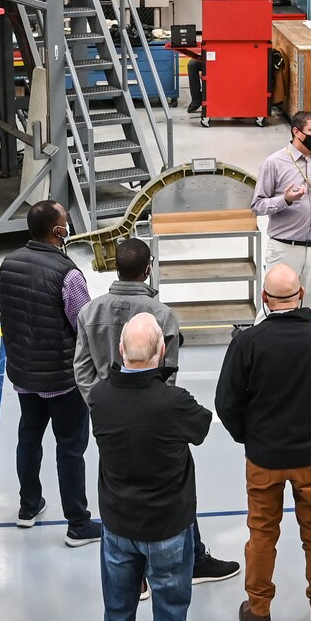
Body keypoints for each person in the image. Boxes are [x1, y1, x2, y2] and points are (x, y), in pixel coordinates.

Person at [73, 237, 238, 584]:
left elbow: (82, 369)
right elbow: (170, 376)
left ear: (115, 267)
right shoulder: (161, 316)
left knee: (118, 486)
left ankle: (138, 575)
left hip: (110, 419)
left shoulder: (90, 312)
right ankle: (191, 561)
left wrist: (104, 404)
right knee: (176, 486)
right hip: (158, 420)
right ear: (148, 270)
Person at [217, 264, 311, 621]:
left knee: (262, 534)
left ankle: (260, 613)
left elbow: (226, 403)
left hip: (264, 459)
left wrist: (248, 438)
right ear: (301, 296)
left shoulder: (247, 344)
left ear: (264, 299)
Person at [89, 314, 213, 621]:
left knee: (117, 616)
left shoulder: (99, 398)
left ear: (119, 350)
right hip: (167, 528)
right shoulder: (173, 402)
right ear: (162, 351)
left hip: (118, 526)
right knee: (171, 620)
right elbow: (201, 427)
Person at [0, 200, 99, 547]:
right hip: (61, 378)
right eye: (66, 222)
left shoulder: (9, 264)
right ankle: (78, 523)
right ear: (58, 231)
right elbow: (84, 326)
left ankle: (28, 506)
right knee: (70, 449)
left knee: (29, 437)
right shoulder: (67, 274)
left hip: (24, 373)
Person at [251, 111, 311, 308]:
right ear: (296, 132)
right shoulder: (275, 163)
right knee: (275, 307)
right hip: (285, 249)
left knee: (309, 306)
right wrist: (285, 199)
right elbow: (257, 206)